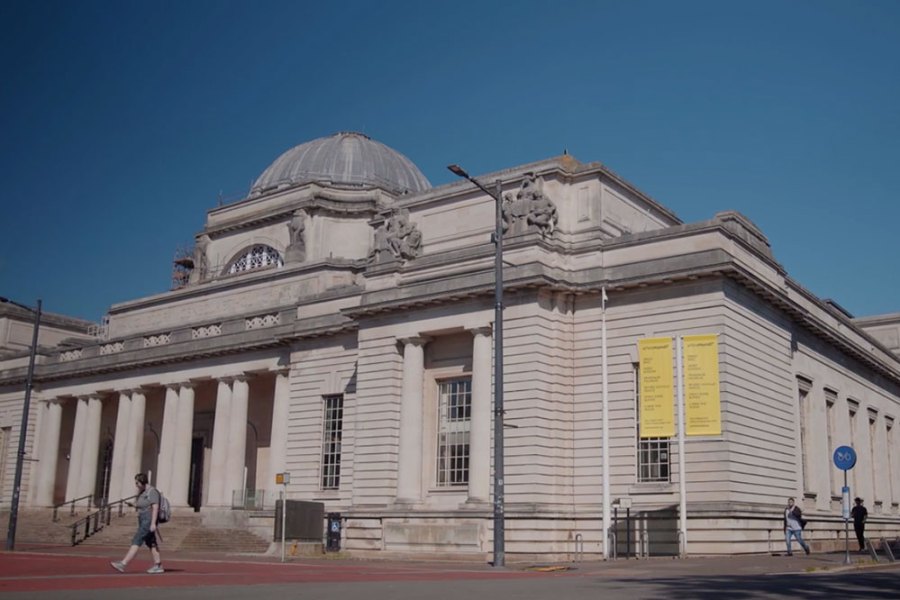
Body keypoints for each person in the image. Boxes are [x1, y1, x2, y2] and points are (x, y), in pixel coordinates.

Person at [110, 473, 164, 574]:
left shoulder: (152, 492)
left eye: (137, 482)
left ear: (142, 481)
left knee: (137, 539)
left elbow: (155, 507)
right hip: (143, 518)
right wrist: (133, 504)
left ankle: (123, 563)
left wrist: (153, 523)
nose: (136, 485)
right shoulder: (144, 492)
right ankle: (158, 565)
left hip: (148, 519)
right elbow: (143, 504)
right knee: (151, 542)